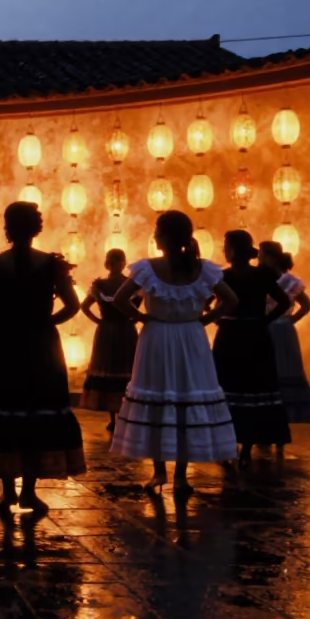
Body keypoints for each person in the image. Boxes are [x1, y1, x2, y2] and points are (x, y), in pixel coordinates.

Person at [0, 202, 86, 515]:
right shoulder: (52, 265)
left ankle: (8, 491)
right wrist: (46, 323)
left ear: (7, 228)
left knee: (4, 410)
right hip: (41, 345)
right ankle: (28, 491)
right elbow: (72, 305)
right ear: (36, 228)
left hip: (4, 343)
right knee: (35, 411)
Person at [109, 211, 241, 493]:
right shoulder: (201, 268)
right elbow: (230, 300)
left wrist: (142, 317)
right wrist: (203, 320)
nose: (154, 236)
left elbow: (120, 299)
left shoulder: (148, 268)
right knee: (183, 396)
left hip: (158, 335)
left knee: (160, 396)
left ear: (164, 236)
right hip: (191, 336)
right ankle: (180, 475)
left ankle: (160, 473)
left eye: (157, 230)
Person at [213, 230, 292, 467]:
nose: (224, 250)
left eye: (226, 245)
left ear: (234, 249)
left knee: (234, 386)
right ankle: (245, 445)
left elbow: (206, 302)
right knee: (252, 387)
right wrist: (262, 321)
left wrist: (215, 317)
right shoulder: (260, 274)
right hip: (254, 335)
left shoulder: (224, 276)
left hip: (231, 336)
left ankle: (234, 444)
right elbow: (284, 302)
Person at [80, 249, 140, 432]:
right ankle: (124, 417)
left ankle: (113, 419)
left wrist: (99, 321)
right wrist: (134, 318)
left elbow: (84, 306)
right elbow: (137, 307)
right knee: (125, 370)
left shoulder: (101, 285)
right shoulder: (130, 284)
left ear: (108, 264)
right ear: (122, 263)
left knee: (110, 369)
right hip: (125, 329)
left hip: (107, 330)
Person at [259, 241, 310, 424]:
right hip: (268, 327)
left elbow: (307, 304)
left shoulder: (290, 281)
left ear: (272, 258)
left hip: (280, 329)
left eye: (262, 254)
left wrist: (290, 320)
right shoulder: (261, 278)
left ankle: (285, 412)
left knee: (283, 368)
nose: (259, 258)